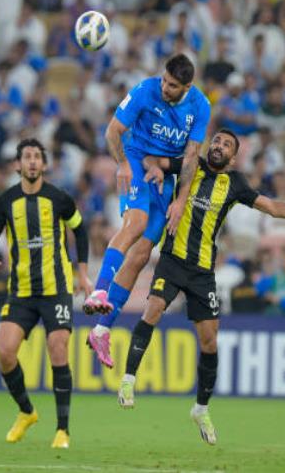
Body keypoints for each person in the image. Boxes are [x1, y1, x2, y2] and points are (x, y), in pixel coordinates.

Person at [116, 129, 285, 445]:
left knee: (210, 342)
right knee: (154, 308)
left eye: (226, 145)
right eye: (216, 140)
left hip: (203, 271)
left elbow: (270, 207)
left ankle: (201, 408)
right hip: (173, 260)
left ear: (233, 157)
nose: (218, 145)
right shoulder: (191, 164)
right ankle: (128, 380)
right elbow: (157, 161)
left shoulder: (236, 184)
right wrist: (152, 169)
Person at [83, 54, 211, 369]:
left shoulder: (200, 106)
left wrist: (180, 201)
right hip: (136, 161)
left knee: (140, 256)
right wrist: (123, 165)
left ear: (187, 86)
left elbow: (192, 158)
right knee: (136, 223)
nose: (165, 88)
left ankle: (101, 330)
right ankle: (98, 291)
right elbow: (113, 131)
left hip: (165, 177)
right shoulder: (144, 90)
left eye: (173, 85)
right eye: (165, 81)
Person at [0, 138, 92, 449]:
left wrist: (82, 273)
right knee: (4, 351)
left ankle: (62, 430)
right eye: (26, 157)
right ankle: (27, 411)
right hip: (20, 291)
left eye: (36, 157)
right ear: (17, 165)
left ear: (44, 165)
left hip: (55, 289)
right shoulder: (5, 201)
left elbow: (80, 230)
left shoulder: (59, 198)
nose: (32, 161)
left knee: (57, 346)